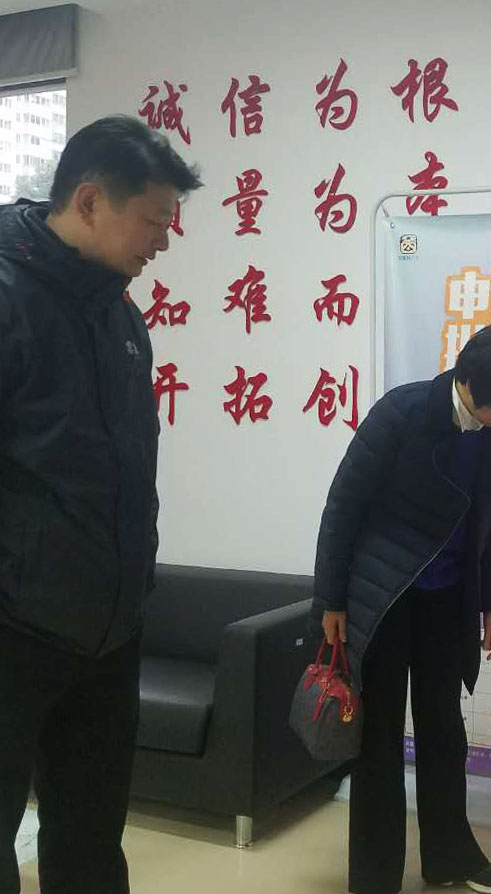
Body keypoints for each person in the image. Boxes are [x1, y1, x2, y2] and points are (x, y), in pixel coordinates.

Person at [0, 116, 201, 894]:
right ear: (89, 201)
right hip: (14, 630)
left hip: (108, 632)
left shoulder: (119, 317)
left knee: (89, 838)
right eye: (154, 219)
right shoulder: (9, 300)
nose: (164, 241)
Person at [313, 323, 491, 894]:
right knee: (378, 741)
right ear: (470, 383)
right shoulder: (402, 412)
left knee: (444, 732)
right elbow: (343, 505)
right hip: (384, 597)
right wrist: (332, 599)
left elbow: (487, 522)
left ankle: (449, 859)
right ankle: (374, 879)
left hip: (448, 601)